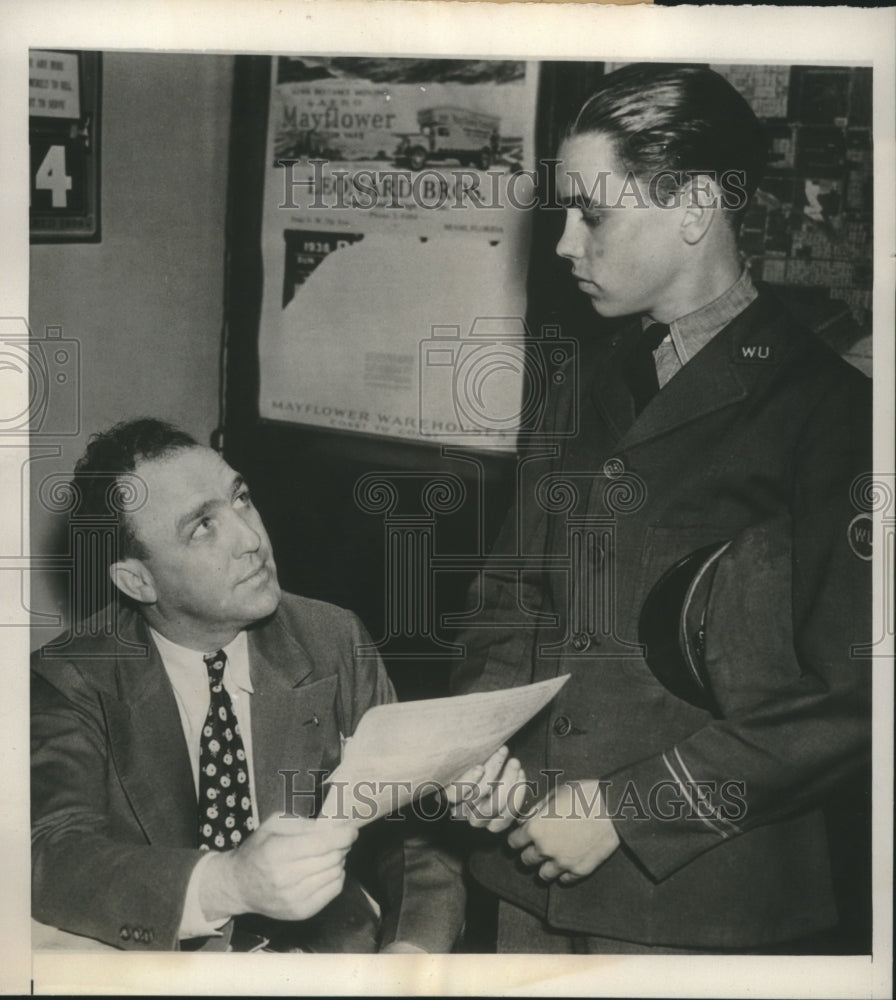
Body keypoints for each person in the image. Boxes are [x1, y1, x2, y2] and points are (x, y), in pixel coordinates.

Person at [449, 64, 872, 954]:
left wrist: (631, 808)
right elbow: (508, 600)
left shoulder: (833, 414)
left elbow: (856, 693)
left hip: (693, 900)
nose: (565, 244)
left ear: (692, 209)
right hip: (523, 872)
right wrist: (478, 746)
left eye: (592, 215)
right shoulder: (584, 382)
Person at [31, 419, 464, 952]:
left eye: (241, 499)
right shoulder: (70, 677)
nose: (252, 539)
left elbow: (416, 833)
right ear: (137, 580)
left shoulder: (331, 639)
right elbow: (52, 853)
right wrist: (229, 882)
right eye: (203, 527)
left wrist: (409, 954)